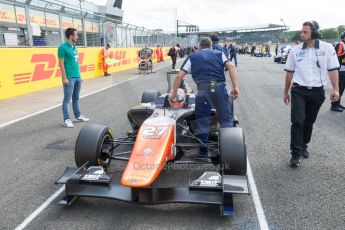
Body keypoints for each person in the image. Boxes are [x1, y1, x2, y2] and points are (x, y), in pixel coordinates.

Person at [170, 37, 239, 159]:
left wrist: (174, 93)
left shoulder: (193, 56)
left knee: (202, 120)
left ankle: (203, 152)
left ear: (199, 46)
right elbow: (231, 66)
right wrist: (235, 87)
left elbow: (179, 76)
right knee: (225, 119)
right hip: (219, 88)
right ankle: (230, 152)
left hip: (203, 90)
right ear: (211, 45)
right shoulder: (219, 53)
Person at [283, 21, 339, 167]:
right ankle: (295, 153)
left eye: (305, 32)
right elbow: (289, 73)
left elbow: (332, 70)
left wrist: (336, 89)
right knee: (297, 121)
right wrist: (285, 92)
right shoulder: (295, 51)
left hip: (317, 92)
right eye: (301, 31)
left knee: (309, 121)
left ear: (314, 33)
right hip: (298, 90)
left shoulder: (327, 48)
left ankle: (304, 145)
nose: (301, 34)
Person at [58, 28, 90, 128]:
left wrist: (79, 76)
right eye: (76, 35)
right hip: (69, 77)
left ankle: (77, 116)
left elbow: (76, 63)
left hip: (77, 77)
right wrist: (64, 77)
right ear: (71, 36)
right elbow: (61, 64)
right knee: (67, 99)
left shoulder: (74, 47)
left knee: (76, 98)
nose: (77, 37)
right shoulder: (62, 47)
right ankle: (66, 119)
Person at [330, 32, 345, 112]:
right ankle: (334, 105)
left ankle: (337, 103)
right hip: (340, 70)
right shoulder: (341, 44)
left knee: (342, 88)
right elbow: (338, 55)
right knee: (339, 88)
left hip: (344, 70)